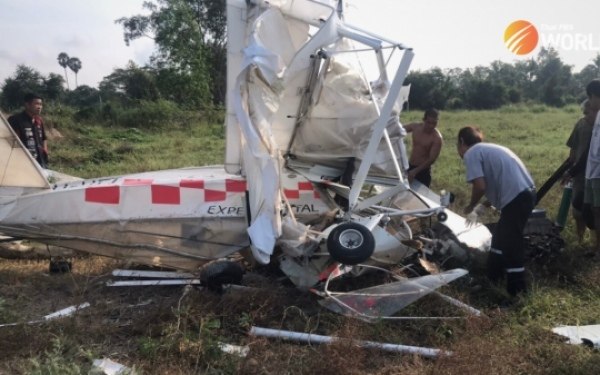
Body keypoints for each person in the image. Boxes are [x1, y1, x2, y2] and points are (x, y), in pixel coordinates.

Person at [457, 126, 535, 296]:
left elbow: (480, 186)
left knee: (510, 242)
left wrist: (471, 206)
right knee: (499, 239)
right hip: (524, 195)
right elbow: (497, 184)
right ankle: (493, 279)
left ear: (461, 142)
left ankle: (518, 291)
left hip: (517, 198)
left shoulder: (471, 153)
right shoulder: (489, 149)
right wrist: (480, 208)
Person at [565, 99, 596, 242]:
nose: (588, 113)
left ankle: (595, 242)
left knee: (595, 209)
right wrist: (571, 168)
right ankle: (580, 239)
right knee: (578, 209)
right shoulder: (581, 125)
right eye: (587, 110)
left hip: (596, 175)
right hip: (580, 174)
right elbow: (573, 148)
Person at [580, 79, 600, 258]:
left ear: (594, 96)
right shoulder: (598, 116)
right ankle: (596, 246)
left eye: (591, 98)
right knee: (593, 211)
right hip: (592, 172)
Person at [7, 93, 48, 168]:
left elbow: (44, 138)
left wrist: (44, 151)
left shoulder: (39, 120)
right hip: (23, 163)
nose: (39, 107)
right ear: (27, 105)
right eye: (36, 104)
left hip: (40, 161)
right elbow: (9, 140)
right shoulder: (15, 119)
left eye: (41, 104)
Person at [404, 108, 442, 187]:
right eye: (428, 123)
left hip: (423, 172)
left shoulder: (437, 138)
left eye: (434, 123)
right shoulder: (415, 127)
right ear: (424, 120)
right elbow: (399, 130)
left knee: (418, 198)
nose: (431, 126)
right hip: (410, 166)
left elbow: (431, 159)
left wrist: (415, 171)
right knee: (404, 194)